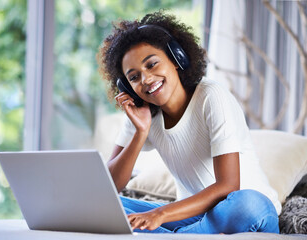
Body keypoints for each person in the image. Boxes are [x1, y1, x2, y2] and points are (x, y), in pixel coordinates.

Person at [97, 11, 281, 234]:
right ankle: (187, 235)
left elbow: (228, 187)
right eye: (134, 77)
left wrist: (160, 214)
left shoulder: (211, 96)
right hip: (190, 216)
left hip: (243, 210)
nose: (146, 79)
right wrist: (141, 132)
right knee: (105, 206)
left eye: (152, 64)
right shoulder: (142, 114)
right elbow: (108, 187)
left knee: (249, 203)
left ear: (176, 59)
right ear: (127, 87)